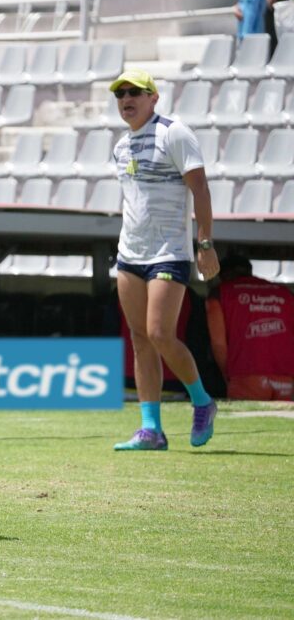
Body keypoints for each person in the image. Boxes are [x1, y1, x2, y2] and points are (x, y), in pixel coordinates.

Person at [108, 69, 220, 452]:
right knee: (139, 338)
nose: (126, 99)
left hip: (169, 252)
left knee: (159, 334)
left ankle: (202, 401)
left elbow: (200, 188)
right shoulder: (121, 146)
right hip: (130, 254)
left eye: (135, 92)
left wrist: (205, 243)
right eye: (120, 93)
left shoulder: (174, 133)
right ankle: (150, 429)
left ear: (153, 98)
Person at [206, 255, 294, 401]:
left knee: (249, 415)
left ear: (223, 274)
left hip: (245, 375)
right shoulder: (285, 293)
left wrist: (228, 375)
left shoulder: (220, 293)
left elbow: (218, 343)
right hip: (285, 377)